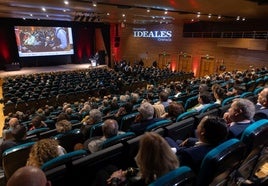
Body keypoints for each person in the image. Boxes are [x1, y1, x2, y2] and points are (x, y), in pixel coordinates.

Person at [107, 132, 179, 185]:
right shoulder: (179, 166)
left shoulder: (145, 182)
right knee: (110, 168)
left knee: (103, 173)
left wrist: (115, 179)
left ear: (146, 159)